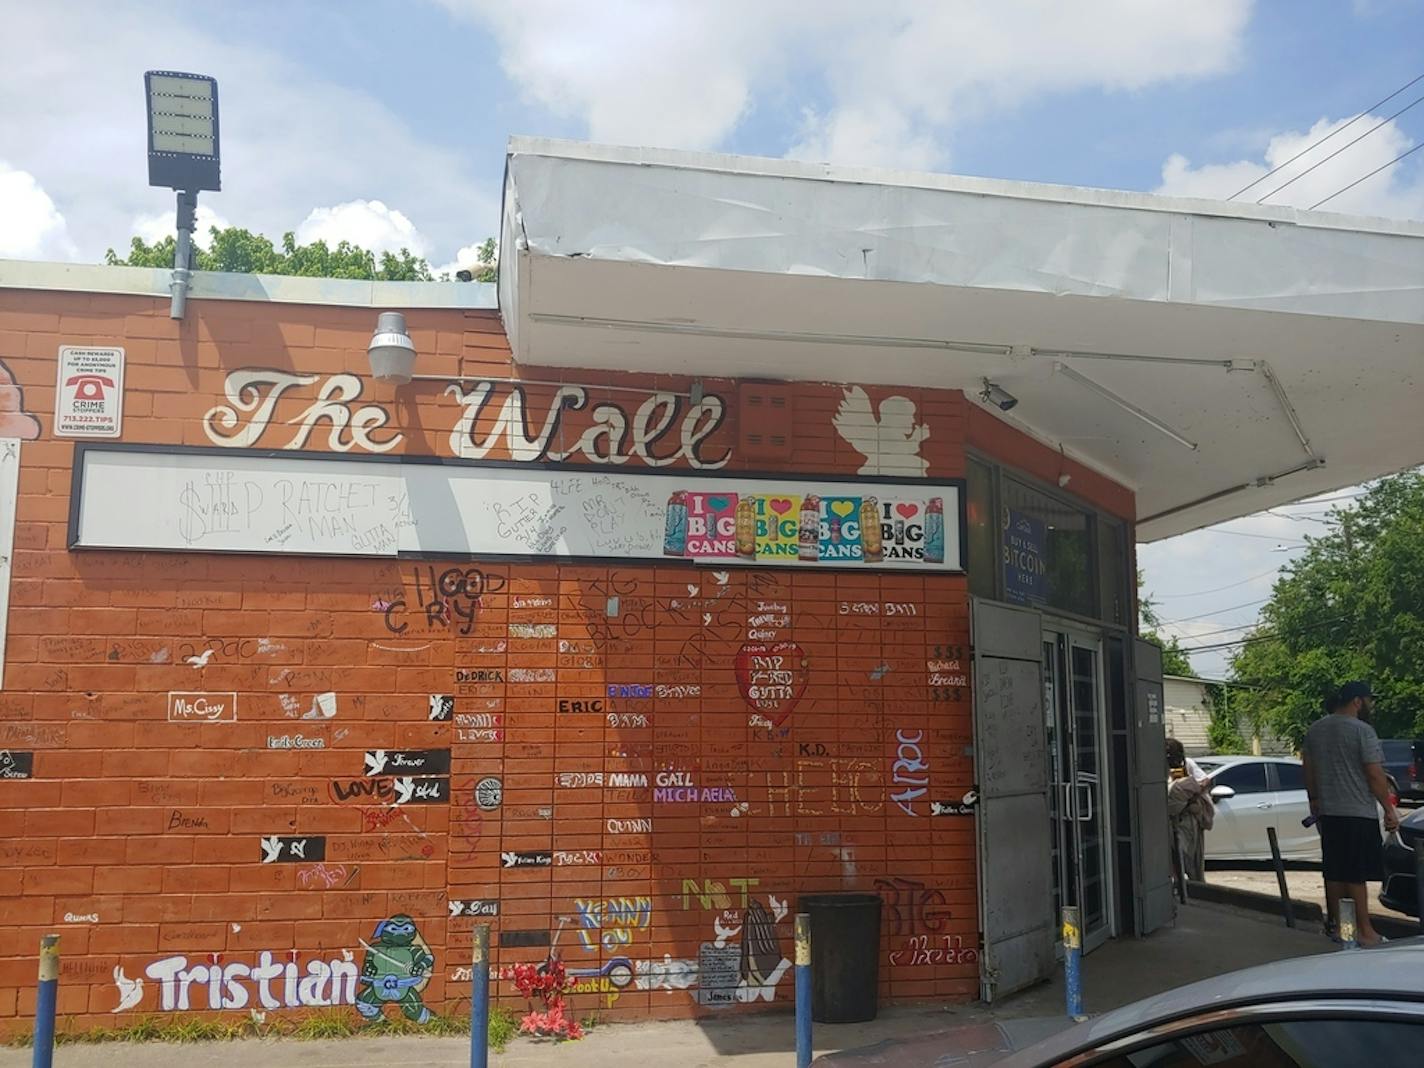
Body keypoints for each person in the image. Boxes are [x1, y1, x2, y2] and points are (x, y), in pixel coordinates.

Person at [1301, 681, 1401, 946]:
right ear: (1358, 701)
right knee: (1355, 873)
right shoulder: (1362, 731)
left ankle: (1341, 929)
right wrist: (1389, 809)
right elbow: (1374, 773)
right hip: (1357, 811)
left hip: (1329, 813)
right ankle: (1366, 932)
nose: (1372, 705)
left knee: (1334, 872)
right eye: (1370, 700)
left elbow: (1308, 768)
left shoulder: (1315, 730)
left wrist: (1314, 800)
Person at [1166, 738, 1214, 882]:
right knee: (1173, 857)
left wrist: (1192, 789)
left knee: (1189, 856)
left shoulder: (1188, 764)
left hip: (1188, 819)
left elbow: (1206, 781)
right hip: (1169, 819)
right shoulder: (1157, 766)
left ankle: (1194, 885)